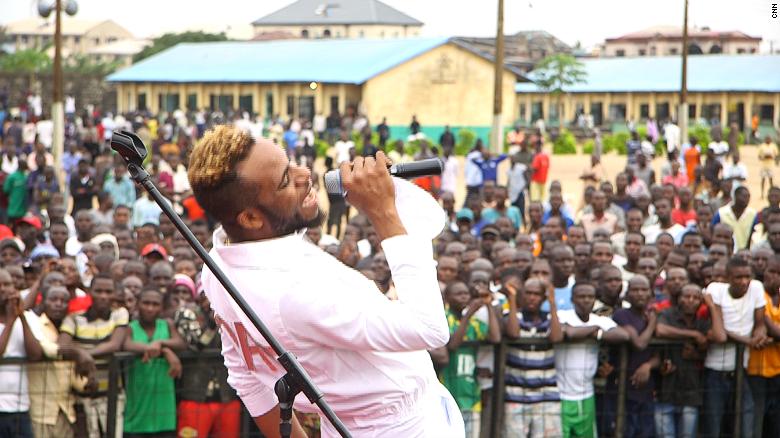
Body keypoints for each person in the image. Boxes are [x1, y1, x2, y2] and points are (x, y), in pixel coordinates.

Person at [188, 126, 464, 436]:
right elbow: (429, 328)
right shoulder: (295, 290)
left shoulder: (219, 264)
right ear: (251, 219)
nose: (305, 173)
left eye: (291, 162)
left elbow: (246, 376)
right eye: (285, 181)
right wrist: (382, 211)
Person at [702, 256, 768, 438]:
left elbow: (760, 322)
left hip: (741, 369)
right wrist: (747, 341)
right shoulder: (716, 289)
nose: (744, 281)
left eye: (747, 276)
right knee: (714, 426)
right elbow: (720, 332)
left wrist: (759, 334)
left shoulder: (756, 287)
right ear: (728, 277)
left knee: (746, 424)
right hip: (716, 370)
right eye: (738, 277)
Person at [59, 274, 129, 438]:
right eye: (98, 291)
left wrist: (84, 354)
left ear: (114, 293)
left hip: (112, 395)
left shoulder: (119, 314)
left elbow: (115, 344)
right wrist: (79, 353)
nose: (103, 296)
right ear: (90, 292)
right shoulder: (75, 318)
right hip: (81, 396)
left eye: (108, 291)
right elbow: (62, 345)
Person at [555, 283, 629, 438]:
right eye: (581, 296)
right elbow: (568, 333)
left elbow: (623, 335)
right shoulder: (563, 315)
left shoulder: (598, 320)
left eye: (590, 297)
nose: (586, 300)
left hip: (586, 393)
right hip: (560, 394)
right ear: (572, 299)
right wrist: (593, 329)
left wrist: (597, 334)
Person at [436, 278, 500, 438]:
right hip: (448, 391)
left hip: (471, 396)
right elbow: (453, 345)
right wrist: (469, 313)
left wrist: (489, 305)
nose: (464, 297)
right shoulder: (443, 319)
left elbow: (495, 338)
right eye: (458, 294)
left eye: (466, 293)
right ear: (447, 297)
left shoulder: (475, 324)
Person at [654, 284, 720, 438]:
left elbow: (718, 336)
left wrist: (711, 306)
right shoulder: (668, 315)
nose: (690, 301)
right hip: (666, 390)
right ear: (679, 299)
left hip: (691, 391)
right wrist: (694, 335)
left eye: (696, 298)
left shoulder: (702, 322)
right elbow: (661, 330)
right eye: (686, 296)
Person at [502, 275, 562, 437]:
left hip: (546, 395)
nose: (532, 297)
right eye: (528, 293)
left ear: (543, 297)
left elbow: (556, 337)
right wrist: (512, 299)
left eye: (537, 294)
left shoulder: (550, 318)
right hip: (516, 393)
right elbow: (513, 333)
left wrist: (552, 303)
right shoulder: (514, 316)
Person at [122, 289, 185, 437]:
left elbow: (180, 342)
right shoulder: (130, 327)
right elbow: (126, 344)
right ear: (138, 305)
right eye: (146, 303)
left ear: (162, 307)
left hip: (164, 411)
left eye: (155, 304)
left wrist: (160, 342)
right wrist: (163, 351)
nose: (150, 308)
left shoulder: (167, 325)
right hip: (137, 407)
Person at [607, 275, 659, 438]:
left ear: (650, 294)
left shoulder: (651, 315)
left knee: (646, 432)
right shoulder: (621, 315)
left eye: (644, 290)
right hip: (622, 388)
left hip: (646, 390)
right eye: (635, 290)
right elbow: (640, 343)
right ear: (628, 294)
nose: (640, 294)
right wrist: (652, 323)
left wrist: (648, 366)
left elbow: (658, 354)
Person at [0, 268, 43, 438]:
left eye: (7, 284)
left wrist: (21, 316)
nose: (3, 289)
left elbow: (35, 354)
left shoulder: (29, 317)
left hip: (20, 408)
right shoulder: (9, 322)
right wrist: (10, 322)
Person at [746, 255, 780, 438]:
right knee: (756, 417)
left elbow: (774, 331)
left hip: (778, 370)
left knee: (776, 421)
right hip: (756, 369)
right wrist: (769, 327)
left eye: (779, 273)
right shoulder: (758, 296)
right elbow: (769, 328)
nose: (775, 277)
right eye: (771, 272)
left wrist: (769, 327)